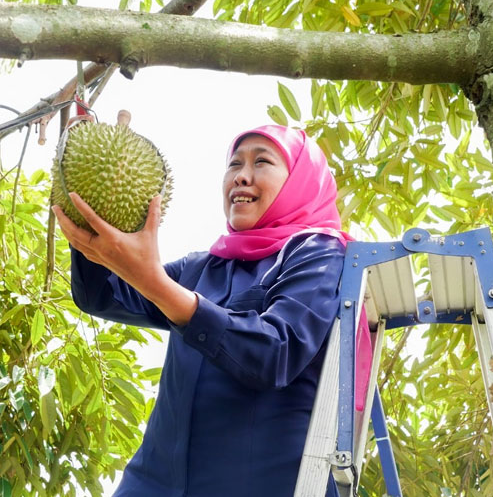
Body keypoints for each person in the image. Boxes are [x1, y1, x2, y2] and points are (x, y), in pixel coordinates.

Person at [53, 124, 371, 497]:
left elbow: (276, 350)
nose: (241, 176)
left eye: (261, 162)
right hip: (153, 484)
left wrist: (160, 288)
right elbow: (104, 296)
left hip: (263, 485)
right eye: (234, 164)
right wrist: (91, 227)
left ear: (301, 182)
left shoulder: (318, 255)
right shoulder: (203, 268)